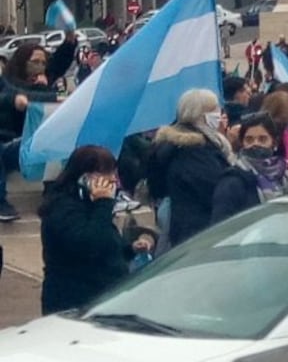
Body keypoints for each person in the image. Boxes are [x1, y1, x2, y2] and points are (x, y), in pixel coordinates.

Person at [39, 146, 155, 315]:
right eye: (107, 174)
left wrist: (130, 249)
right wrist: (103, 203)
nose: (114, 180)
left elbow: (106, 243)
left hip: (102, 296)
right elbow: (90, 244)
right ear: (86, 176)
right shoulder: (62, 208)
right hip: (74, 300)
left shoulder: (90, 204)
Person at [0, 33, 77, 222]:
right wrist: (15, 100)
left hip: (25, 143)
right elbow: (11, 95)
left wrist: (69, 42)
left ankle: (55, 194)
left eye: (43, 62)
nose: (40, 66)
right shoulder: (12, 80)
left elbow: (56, 67)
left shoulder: (36, 83)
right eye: (35, 62)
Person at [147, 89, 233, 248]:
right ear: (201, 114)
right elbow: (215, 190)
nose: (219, 113)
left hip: (188, 228)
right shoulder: (195, 151)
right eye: (214, 109)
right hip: (200, 232)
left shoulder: (185, 146)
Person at [211, 114, 288, 224]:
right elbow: (220, 224)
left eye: (262, 139)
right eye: (249, 140)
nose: (255, 144)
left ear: (274, 142)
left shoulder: (287, 177)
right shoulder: (232, 181)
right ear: (242, 143)